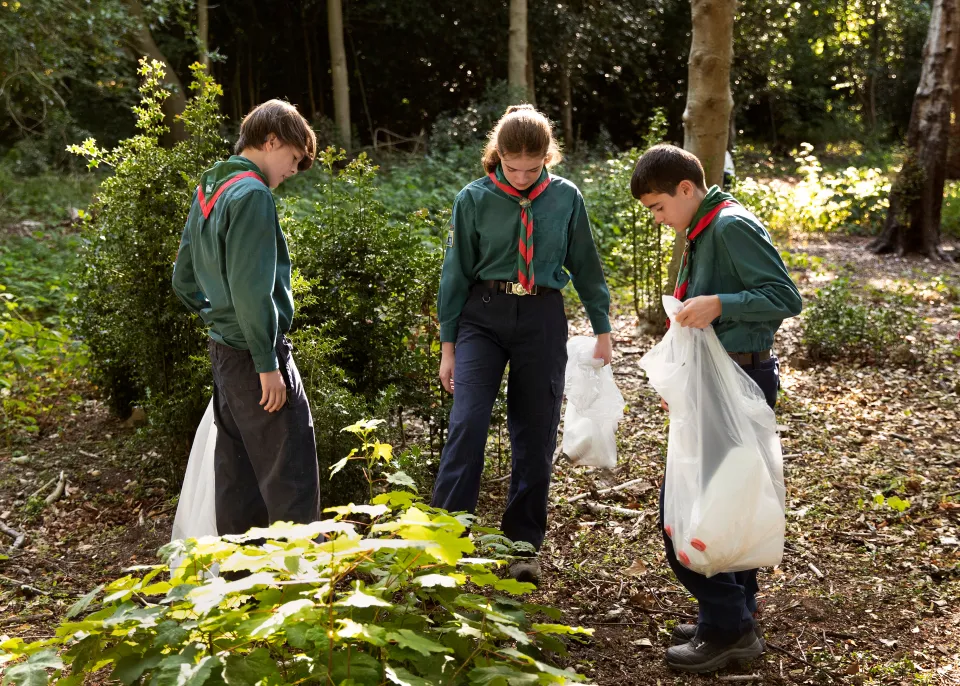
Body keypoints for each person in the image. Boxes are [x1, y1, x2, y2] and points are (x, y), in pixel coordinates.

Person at [631, 143, 802, 672]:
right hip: (716, 378)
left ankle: (728, 627)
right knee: (726, 505)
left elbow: (784, 296)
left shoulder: (728, 227)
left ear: (686, 189)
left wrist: (721, 304)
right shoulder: (704, 228)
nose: (659, 220)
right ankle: (733, 614)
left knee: (683, 516)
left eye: (659, 207)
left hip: (738, 378)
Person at [433, 105, 613, 586]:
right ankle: (443, 541)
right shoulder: (473, 199)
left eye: (532, 169)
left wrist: (603, 327)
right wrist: (448, 346)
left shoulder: (565, 198)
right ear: (498, 156)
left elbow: (587, 265)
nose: (521, 177)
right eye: (513, 168)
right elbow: (454, 276)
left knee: (535, 431)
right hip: (482, 318)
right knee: (468, 422)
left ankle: (522, 546)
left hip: (542, 315)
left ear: (547, 158)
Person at [172, 99, 320, 537]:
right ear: (271, 140)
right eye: (293, 159)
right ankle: (299, 590)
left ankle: (240, 588)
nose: (293, 171)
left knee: (237, 480)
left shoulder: (209, 189)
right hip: (256, 355)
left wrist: (217, 315)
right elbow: (254, 292)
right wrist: (266, 363)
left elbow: (182, 279)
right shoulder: (252, 194)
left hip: (224, 351)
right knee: (291, 476)